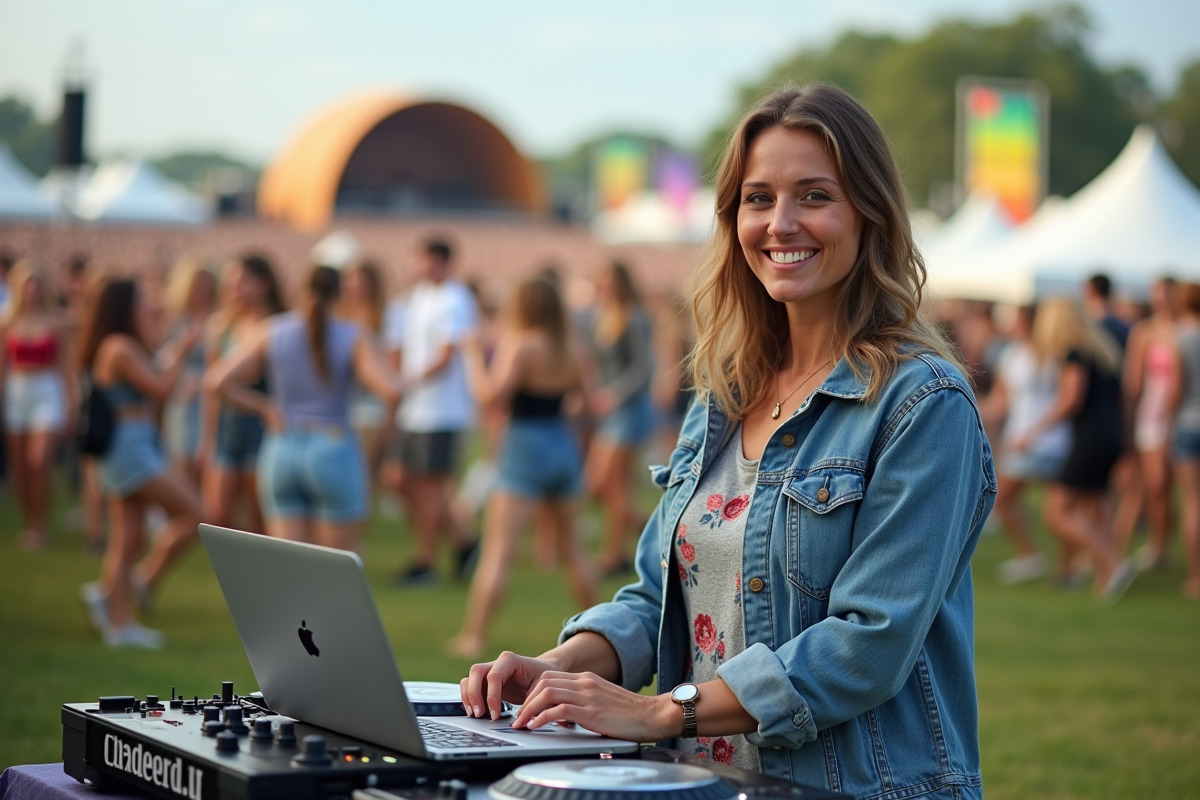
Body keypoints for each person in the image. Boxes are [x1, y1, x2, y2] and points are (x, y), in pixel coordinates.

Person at [460, 84, 995, 796]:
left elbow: (869, 641)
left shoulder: (923, 401)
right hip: (705, 782)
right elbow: (658, 598)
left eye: (814, 196)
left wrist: (659, 712)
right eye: (758, 198)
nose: (781, 223)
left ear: (870, 212)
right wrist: (559, 667)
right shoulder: (728, 391)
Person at [448, 277, 597, 658]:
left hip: (523, 448)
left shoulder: (520, 344)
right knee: (574, 550)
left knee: (498, 552)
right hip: (561, 445)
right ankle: (601, 632)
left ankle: (473, 637)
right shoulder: (573, 348)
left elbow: (489, 397)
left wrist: (472, 355)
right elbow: (587, 402)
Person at [206, 264, 403, 551]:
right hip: (333, 446)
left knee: (289, 566)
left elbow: (216, 382)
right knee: (334, 566)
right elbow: (392, 391)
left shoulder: (272, 329)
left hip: (281, 449)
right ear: (340, 294)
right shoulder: (353, 335)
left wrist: (264, 407)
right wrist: (386, 431)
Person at [77, 278, 202, 648]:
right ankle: (121, 603)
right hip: (130, 448)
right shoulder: (119, 346)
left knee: (128, 537)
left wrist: (164, 336)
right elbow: (161, 389)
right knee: (196, 512)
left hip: (132, 444)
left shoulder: (120, 344)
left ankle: (116, 613)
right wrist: (183, 351)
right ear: (124, 306)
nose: (147, 306)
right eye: (141, 301)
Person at [1016, 299, 1134, 597]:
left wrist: (1034, 431)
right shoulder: (1103, 351)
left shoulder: (1075, 352)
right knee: (1096, 508)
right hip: (1111, 436)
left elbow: (1071, 399)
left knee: (1056, 512)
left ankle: (1112, 561)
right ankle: (1106, 574)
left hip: (1090, 437)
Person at [385, 238, 478, 584]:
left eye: (428, 260)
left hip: (442, 409)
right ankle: (464, 541)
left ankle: (426, 561)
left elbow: (446, 355)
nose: (422, 267)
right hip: (416, 408)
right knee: (399, 479)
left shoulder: (455, 299)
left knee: (429, 487)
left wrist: (407, 380)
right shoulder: (419, 296)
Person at [200, 254, 285, 535]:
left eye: (242, 282)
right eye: (231, 283)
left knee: (260, 520)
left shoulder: (278, 327)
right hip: (228, 425)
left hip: (262, 430)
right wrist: (207, 440)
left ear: (264, 283)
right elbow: (211, 388)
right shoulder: (221, 326)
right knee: (217, 517)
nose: (234, 289)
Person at [583, 261, 655, 575]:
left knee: (612, 485)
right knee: (601, 486)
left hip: (629, 411)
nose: (605, 286)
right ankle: (648, 526)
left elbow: (643, 368)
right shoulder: (600, 317)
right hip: (608, 411)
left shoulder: (633, 317)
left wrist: (615, 393)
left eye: (610, 280)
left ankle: (613, 555)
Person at [992, 304, 1070, 584]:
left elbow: (1065, 397)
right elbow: (1001, 401)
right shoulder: (1009, 355)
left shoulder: (1050, 352)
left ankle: (1067, 566)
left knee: (1058, 512)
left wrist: (1034, 432)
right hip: (1020, 441)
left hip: (1052, 441)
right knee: (1002, 500)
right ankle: (1031, 555)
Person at [1, 260, 74, 549]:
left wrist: (70, 406)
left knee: (38, 461)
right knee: (19, 467)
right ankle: (30, 522)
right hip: (17, 392)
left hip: (47, 390)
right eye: (27, 284)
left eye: (36, 284)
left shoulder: (56, 322)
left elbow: (66, 367)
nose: (32, 290)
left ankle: (41, 524)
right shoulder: (8, 322)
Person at [1114, 277, 1178, 569]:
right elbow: (1133, 383)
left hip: (1179, 417)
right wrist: (1128, 425)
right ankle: (1150, 545)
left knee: (1168, 487)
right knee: (1154, 485)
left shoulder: (1185, 329)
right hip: (1152, 419)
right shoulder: (1145, 332)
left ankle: (1161, 544)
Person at [162, 258, 218, 489]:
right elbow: (164, 360)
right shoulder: (178, 322)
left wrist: (202, 380)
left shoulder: (219, 319)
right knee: (183, 461)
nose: (202, 291)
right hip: (183, 401)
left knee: (206, 465)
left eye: (206, 285)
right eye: (197, 286)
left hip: (210, 400)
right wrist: (182, 349)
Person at [1169, 282, 1200, 599]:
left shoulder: (1180, 338)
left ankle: (1196, 576)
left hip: (1189, 424)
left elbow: (1176, 388)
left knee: (1192, 502)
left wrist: (1167, 422)